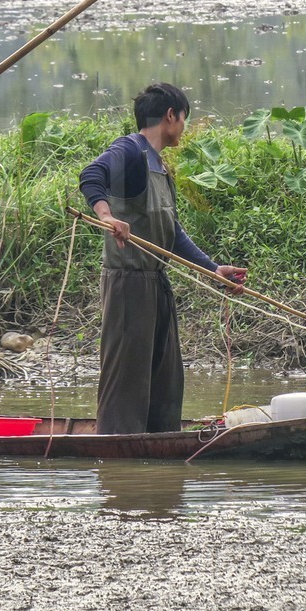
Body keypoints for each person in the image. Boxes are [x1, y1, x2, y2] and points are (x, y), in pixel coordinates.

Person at [79, 83, 246, 434]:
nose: (183, 127)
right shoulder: (130, 151)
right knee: (126, 378)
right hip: (128, 283)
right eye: (184, 118)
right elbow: (92, 175)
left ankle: (158, 448)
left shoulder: (158, 165)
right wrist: (106, 216)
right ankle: (117, 452)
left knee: (165, 377)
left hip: (156, 282)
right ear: (170, 116)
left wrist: (214, 270)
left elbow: (171, 233)